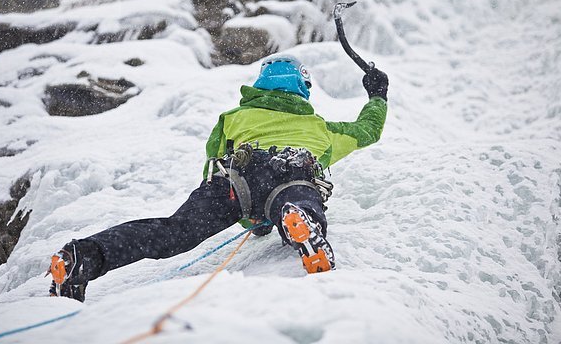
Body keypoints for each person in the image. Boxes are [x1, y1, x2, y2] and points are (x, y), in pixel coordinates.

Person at [47, 54, 388, 302]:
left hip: (235, 180)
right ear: (302, 88)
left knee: (173, 232)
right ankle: (299, 222)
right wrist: (377, 94)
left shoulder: (233, 117)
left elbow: (213, 159)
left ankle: (83, 257)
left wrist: (244, 216)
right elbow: (368, 130)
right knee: (299, 194)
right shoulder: (321, 129)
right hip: (290, 170)